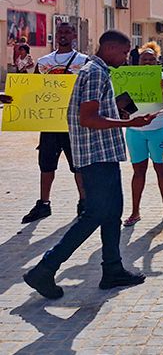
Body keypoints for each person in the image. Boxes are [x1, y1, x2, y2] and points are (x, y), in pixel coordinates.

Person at [24, 30, 157, 299]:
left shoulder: (96, 71)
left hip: (104, 153)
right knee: (95, 214)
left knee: (112, 212)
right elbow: (88, 118)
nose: (125, 57)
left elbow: (96, 112)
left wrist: (118, 110)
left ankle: (112, 269)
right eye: (123, 52)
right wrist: (129, 123)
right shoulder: (95, 72)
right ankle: (45, 268)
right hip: (95, 155)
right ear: (108, 48)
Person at [21, 23, 88, 224]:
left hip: (73, 123)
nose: (63, 35)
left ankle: (84, 203)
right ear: (56, 35)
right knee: (46, 165)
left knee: (78, 166)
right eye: (60, 32)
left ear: (74, 35)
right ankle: (44, 204)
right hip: (50, 122)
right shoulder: (44, 62)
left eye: (67, 32)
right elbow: (34, 91)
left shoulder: (84, 62)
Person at [122, 43, 163, 227]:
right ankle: (135, 211)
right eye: (144, 59)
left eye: (151, 60)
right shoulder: (129, 78)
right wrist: (131, 115)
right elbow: (122, 102)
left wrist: (162, 91)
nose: (147, 62)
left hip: (159, 130)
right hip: (135, 131)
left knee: (161, 170)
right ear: (137, 62)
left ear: (157, 62)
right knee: (138, 171)